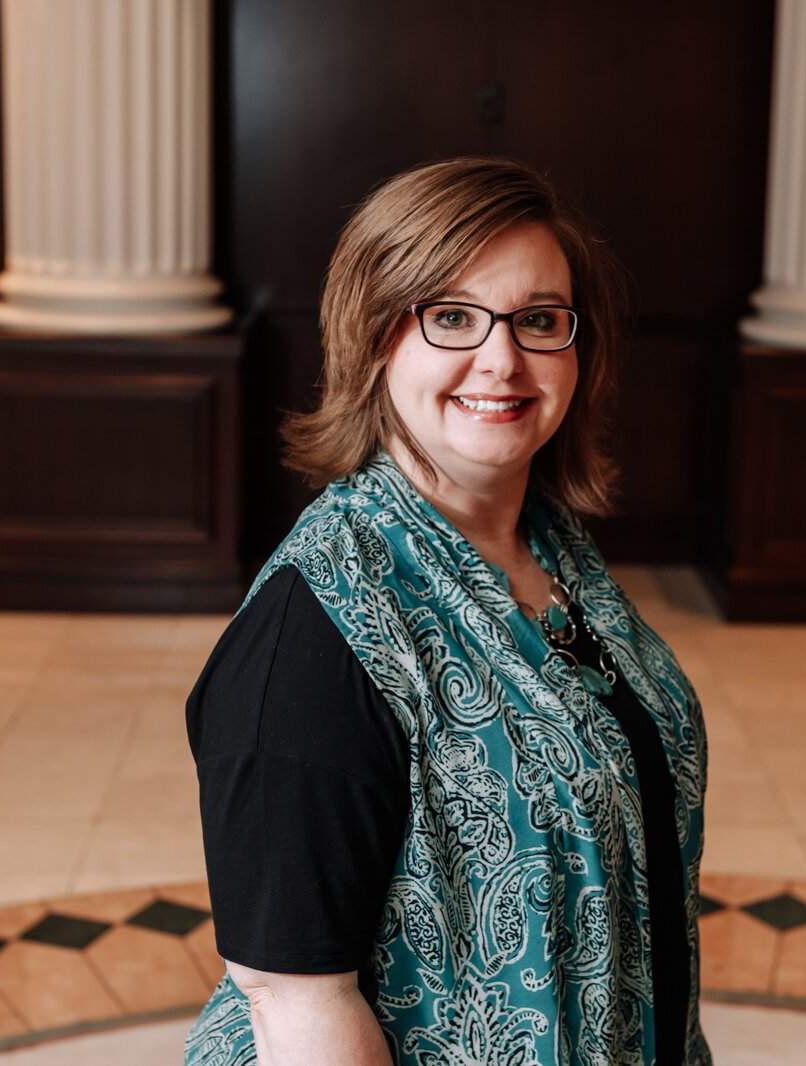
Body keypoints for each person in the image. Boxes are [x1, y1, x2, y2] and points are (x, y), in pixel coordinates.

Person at [183, 157, 711, 1065]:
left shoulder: (551, 548)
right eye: (453, 317)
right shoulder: (315, 631)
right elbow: (294, 1002)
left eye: (540, 320)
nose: (502, 359)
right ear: (374, 336)